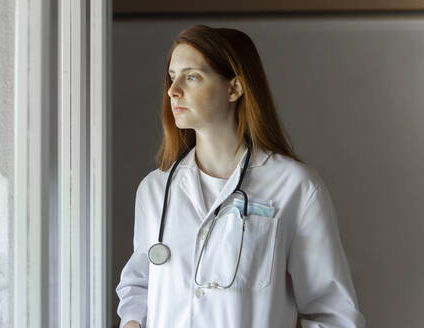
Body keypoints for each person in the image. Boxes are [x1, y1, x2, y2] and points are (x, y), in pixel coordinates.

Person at [116, 24, 366, 328]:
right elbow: (139, 286)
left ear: (234, 88)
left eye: (191, 76)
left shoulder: (295, 186)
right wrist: (133, 322)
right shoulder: (155, 189)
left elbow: (334, 314)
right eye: (172, 77)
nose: (173, 90)